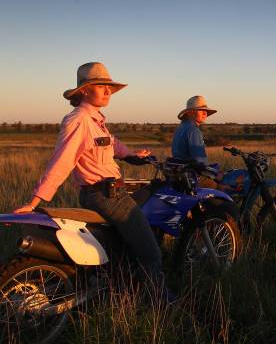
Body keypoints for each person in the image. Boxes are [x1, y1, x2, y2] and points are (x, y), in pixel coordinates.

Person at [13, 62, 173, 301]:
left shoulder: (96, 120)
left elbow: (112, 145)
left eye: (110, 87)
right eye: (102, 86)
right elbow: (62, 161)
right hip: (109, 196)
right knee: (151, 253)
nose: (108, 91)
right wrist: (36, 200)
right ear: (85, 90)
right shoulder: (79, 120)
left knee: (117, 247)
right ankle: (159, 303)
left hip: (100, 194)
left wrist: (133, 155)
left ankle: (117, 288)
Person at [171, 95, 217, 165]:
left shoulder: (180, 128)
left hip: (179, 172)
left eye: (205, 110)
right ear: (191, 113)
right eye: (201, 110)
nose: (205, 113)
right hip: (191, 173)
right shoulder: (193, 131)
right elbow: (200, 160)